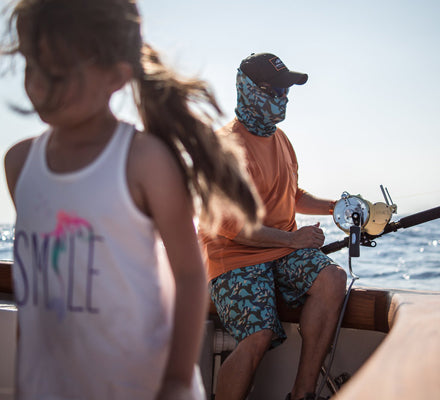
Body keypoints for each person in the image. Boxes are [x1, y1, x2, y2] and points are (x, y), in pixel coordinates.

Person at [2, 1, 262, 399]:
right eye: (33, 66)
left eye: (59, 71)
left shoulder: (144, 162)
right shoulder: (19, 164)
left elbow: (191, 274)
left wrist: (176, 379)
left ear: (116, 76)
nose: (39, 84)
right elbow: (35, 287)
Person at [199, 53, 348, 400]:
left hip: (281, 247)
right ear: (249, 90)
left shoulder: (280, 139)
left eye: (286, 92)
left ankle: (302, 394)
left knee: (332, 280)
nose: (283, 99)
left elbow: (292, 194)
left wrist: (334, 207)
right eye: (275, 91)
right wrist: (294, 239)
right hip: (234, 255)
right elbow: (235, 229)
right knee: (258, 335)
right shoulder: (225, 148)